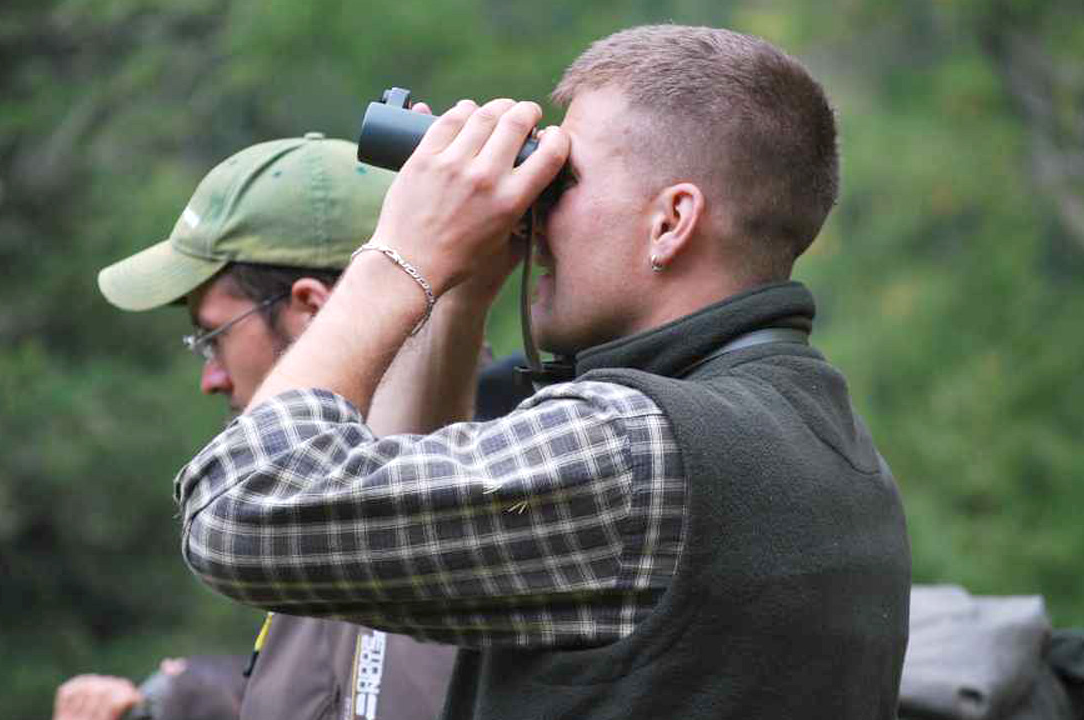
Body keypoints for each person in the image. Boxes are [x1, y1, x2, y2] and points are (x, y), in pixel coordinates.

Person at [172, 23, 912, 720]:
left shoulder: (636, 450)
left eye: (561, 178)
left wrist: (400, 251)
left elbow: (241, 508)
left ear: (672, 221)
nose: (533, 206)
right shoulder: (829, 441)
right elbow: (382, 532)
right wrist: (461, 287)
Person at [58, 132, 523, 720]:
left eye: (213, 337)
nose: (212, 378)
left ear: (315, 310)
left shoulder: (494, 514)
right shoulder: (324, 519)